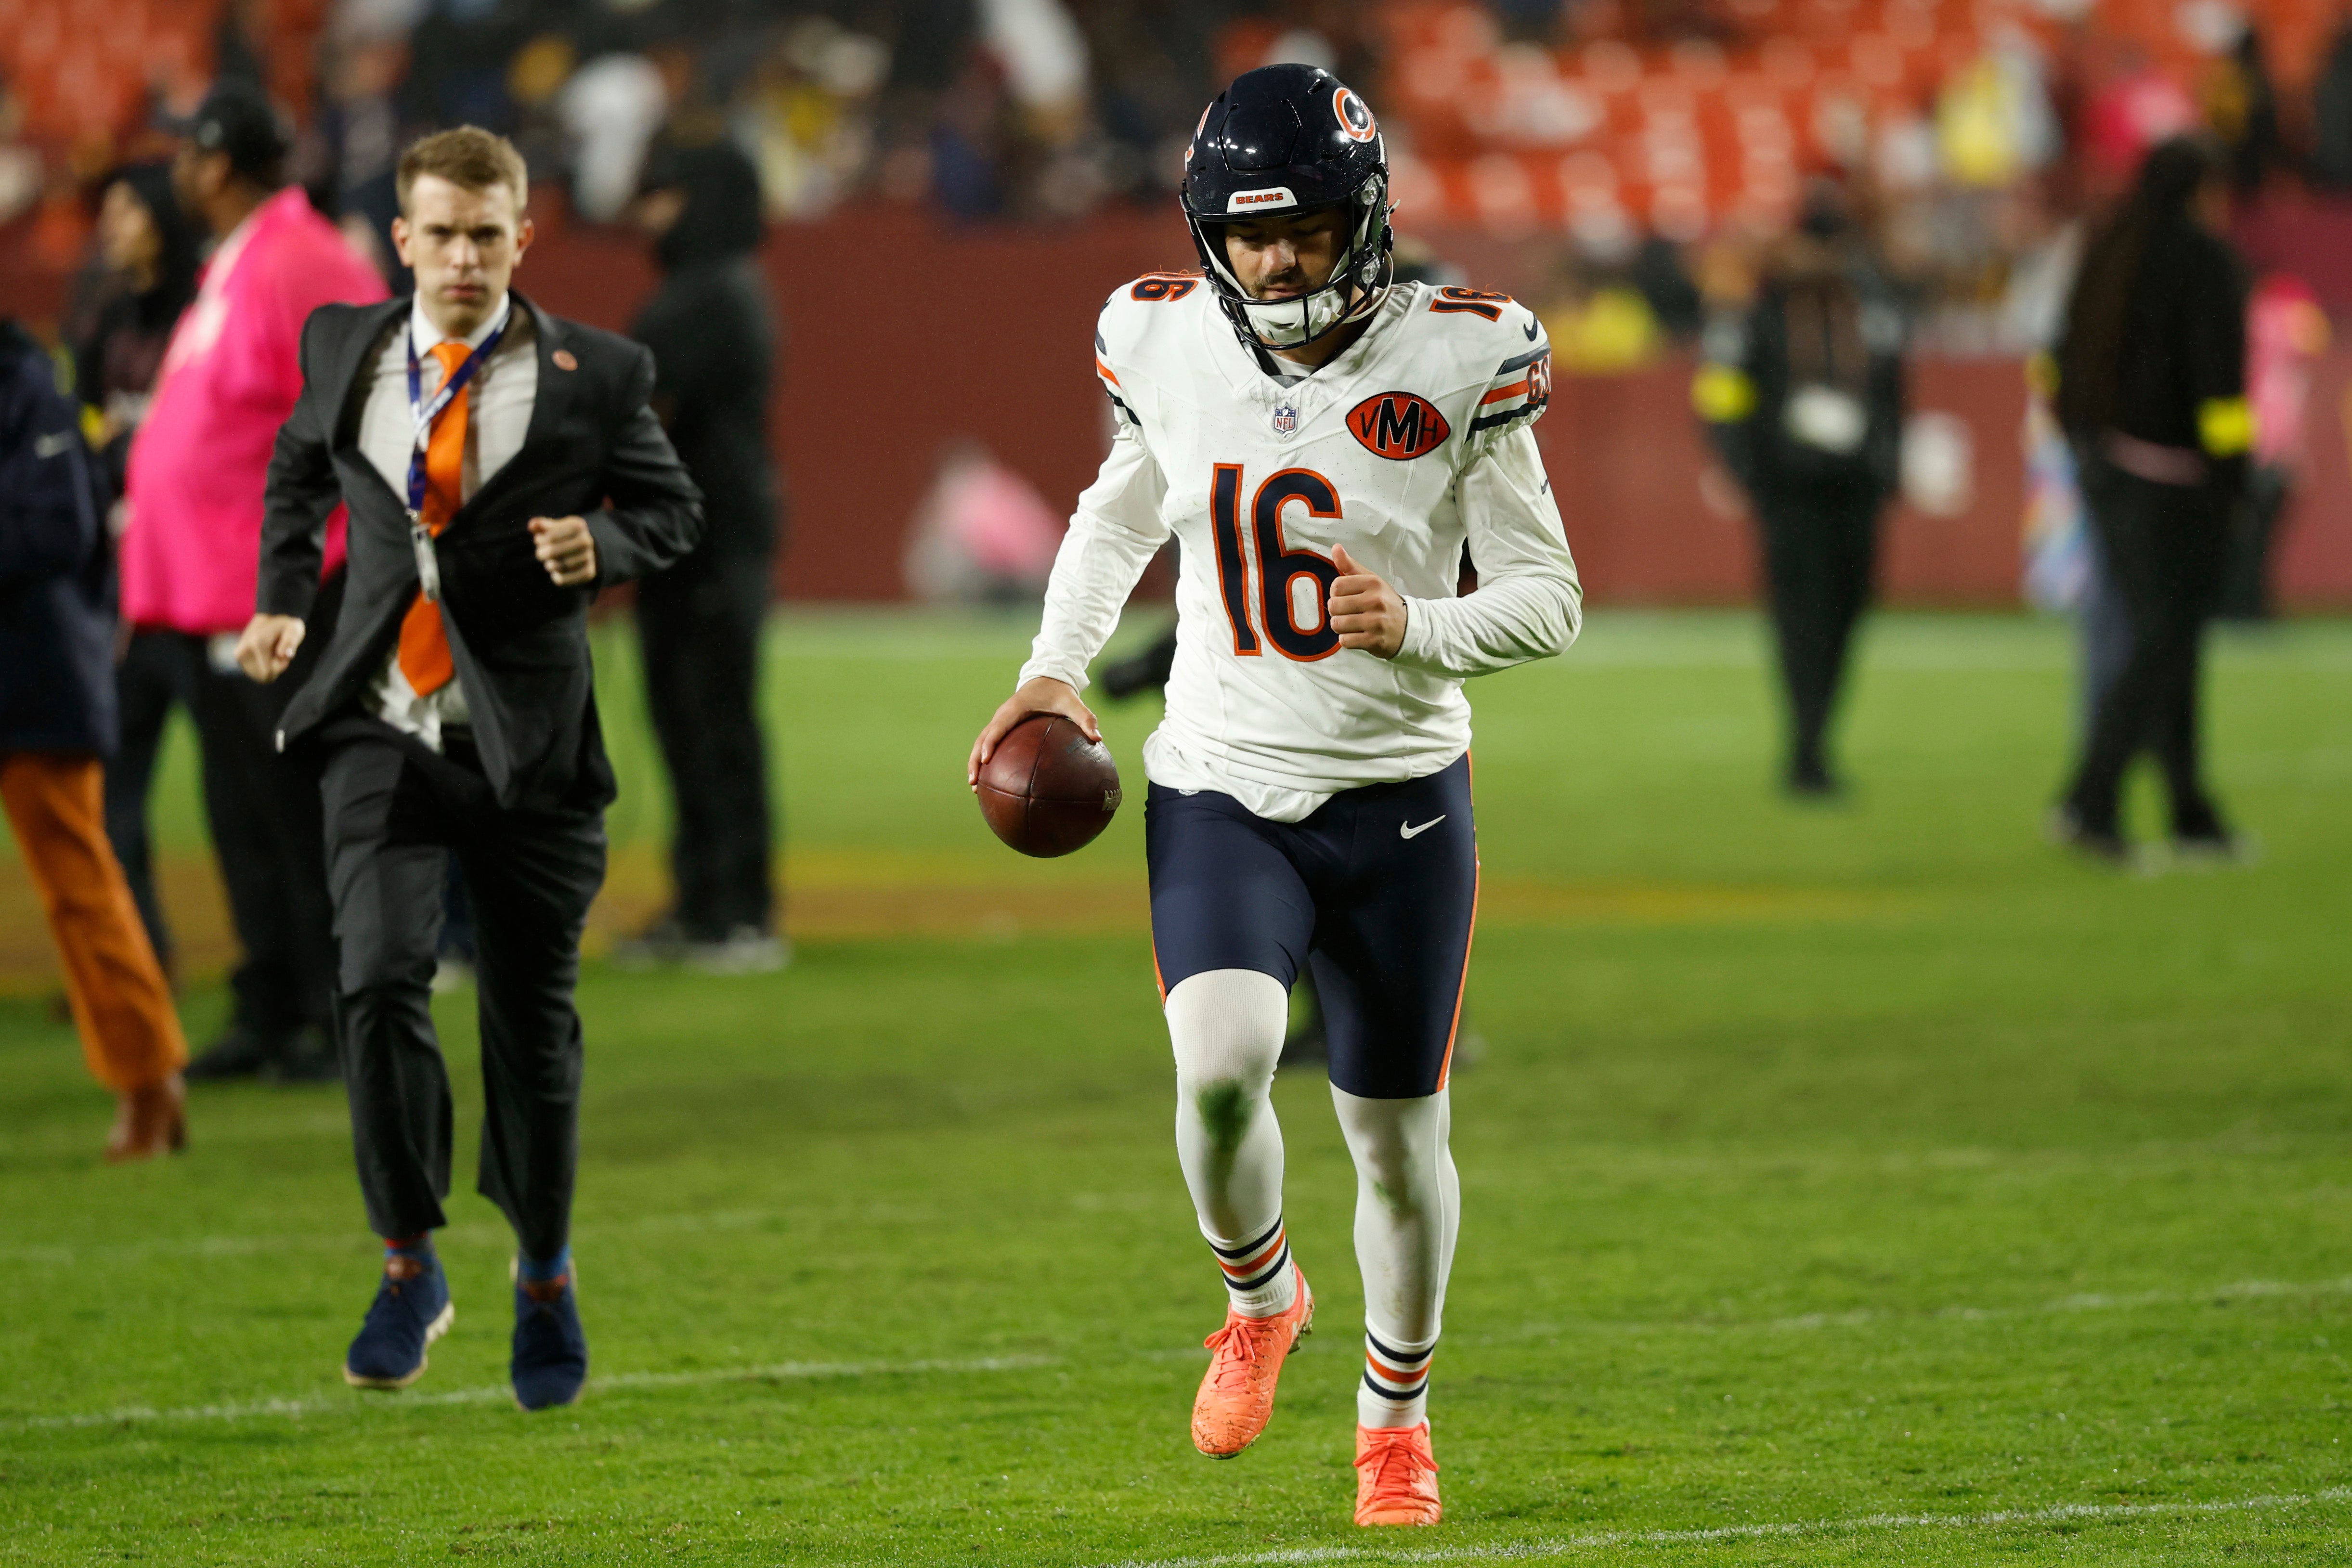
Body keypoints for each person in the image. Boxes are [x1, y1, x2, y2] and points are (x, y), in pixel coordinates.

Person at [967, 65, 1580, 1529]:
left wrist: (1418, 625)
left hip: (1397, 796)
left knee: (1394, 1137)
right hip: (1219, 778)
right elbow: (1122, 505)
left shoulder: (1460, 352)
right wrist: (1050, 668)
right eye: (1245, 236)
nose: (1273, 260)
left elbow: (1551, 599)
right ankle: (1259, 1293)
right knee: (1220, 1062)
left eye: (1301, 230)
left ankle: (1395, 1417)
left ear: (1360, 221)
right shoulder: (1159, 339)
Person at [238, 127, 703, 1410]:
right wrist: (285, 595)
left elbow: (675, 511)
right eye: (438, 233)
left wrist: (599, 544)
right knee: (376, 980)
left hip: (530, 745)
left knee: (530, 1036)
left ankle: (543, 1276)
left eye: (484, 235)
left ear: (521, 239)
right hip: (378, 718)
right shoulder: (342, 346)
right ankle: (407, 1263)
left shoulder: (597, 374)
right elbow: (294, 473)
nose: (460, 256)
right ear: (401, 238)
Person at [118, 81, 390, 1080]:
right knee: (242, 814)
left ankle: (336, 1016)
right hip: (213, 598)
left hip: (282, 596)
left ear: (219, 162)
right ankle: (271, 1003)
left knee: (299, 814)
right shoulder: (247, 261)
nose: (178, 167)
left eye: (189, 152)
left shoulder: (303, 259)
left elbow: (371, 413)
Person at [0, 319, 190, 1161]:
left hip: (32, 674)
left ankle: (151, 1081)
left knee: (79, 883)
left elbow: (59, 529)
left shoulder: (31, 386)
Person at [612, 141, 787, 975]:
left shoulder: (696, 300)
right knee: (707, 726)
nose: (647, 214)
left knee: (705, 726)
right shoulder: (738, 290)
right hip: (715, 540)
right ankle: (717, 902)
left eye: (663, 194)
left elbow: (632, 419)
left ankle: (731, 908)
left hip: (702, 548)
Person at [2050, 137, 2249, 862]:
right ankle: (2091, 796)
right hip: (2178, 485)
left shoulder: (2108, 253)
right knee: (2165, 642)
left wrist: (2084, 447)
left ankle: (2188, 808)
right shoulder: (2204, 262)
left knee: (2162, 641)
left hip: (2109, 470)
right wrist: (2233, 477)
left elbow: (2060, 357)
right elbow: (2220, 386)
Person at [1693, 184, 1906, 796]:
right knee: (1800, 620)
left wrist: (1887, 462)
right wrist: (1746, 469)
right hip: (1789, 491)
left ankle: (1815, 739)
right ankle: (1807, 747)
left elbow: (1894, 392)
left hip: (1855, 487)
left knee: (1845, 614)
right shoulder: (1761, 310)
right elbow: (1723, 393)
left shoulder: (1868, 307)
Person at [68, 162, 201, 977]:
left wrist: (129, 443)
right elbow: (87, 429)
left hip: (202, 587)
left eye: (126, 206)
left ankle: (295, 972)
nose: (112, 222)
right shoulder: (108, 318)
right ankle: (139, 961)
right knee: (113, 790)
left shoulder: (203, 308)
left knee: (251, 793)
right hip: (128, 588)